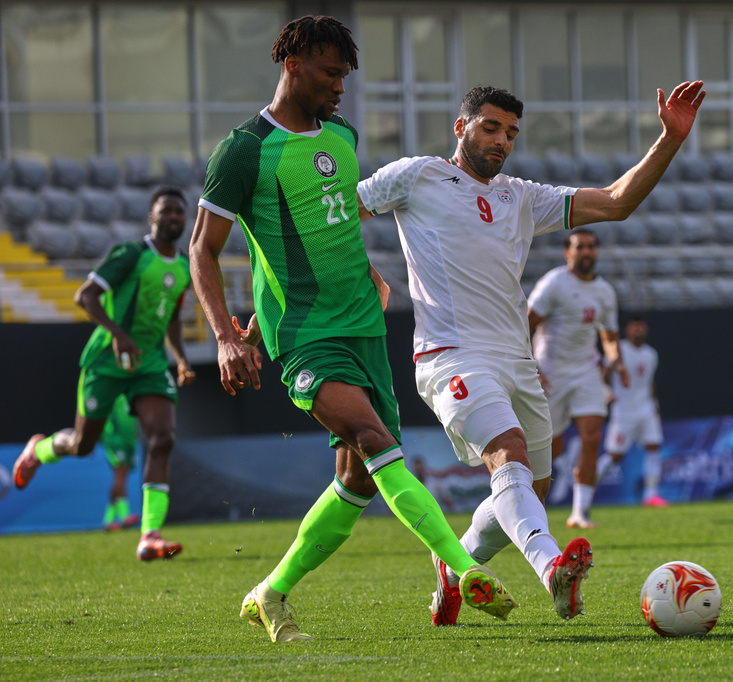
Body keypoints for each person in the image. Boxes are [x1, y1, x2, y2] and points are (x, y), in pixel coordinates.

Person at [188, 15, 515, 644]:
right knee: (369, 435)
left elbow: (323, 220)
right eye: (331, 73)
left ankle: (270, 592)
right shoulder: (244, 150)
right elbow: (203, 248)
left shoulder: (340, 132)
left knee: (358, 477)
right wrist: (228, 337)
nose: (342, 87)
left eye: (345, 75)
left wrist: (358, 262)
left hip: (364, 326)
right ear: (293, 64)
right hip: (307, 333)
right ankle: (463, 567)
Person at [356, 80, 705, 625]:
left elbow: (616, 204)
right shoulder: (417, 174)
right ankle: (552, 571)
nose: (501, 141)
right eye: (491, 127)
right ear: (461, 127)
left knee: (528, 491)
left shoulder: (519, 195)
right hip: (451, 356)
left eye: (511, 133)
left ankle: (455, 569)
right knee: (509, 455)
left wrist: (670, 139)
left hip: (518, 364)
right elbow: (335, 217)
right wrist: (346, 276)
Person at [13, 186, 195, 560]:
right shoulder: (131, 254)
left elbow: (173, 319)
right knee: (82, 445)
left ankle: (150, 534)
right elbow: (85, 296)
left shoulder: (183, 267)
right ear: (152, 217)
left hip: (149, 364)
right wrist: (118, 335)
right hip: (107, 361)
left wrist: (180, 358)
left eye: (179, 211)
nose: (173, 216)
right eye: (166, 211)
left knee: (163, 437)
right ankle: (40, 449)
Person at [527, 229, 627, 529]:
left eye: (591, 247)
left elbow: (608, 335)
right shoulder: (554, 283)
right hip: (551, 374)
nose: (587, 252)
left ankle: (580, 512)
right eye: (580, 247)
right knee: (550, 449)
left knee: (592, 437)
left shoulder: (604, 291)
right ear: (567, 253)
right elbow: (525, 325)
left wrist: (617, 361)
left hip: (586, 371)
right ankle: (525, 510)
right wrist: (530, 366)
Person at [596, 314, 668, 508]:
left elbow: (650, 382)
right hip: (623, 411)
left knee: (654, 447)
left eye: (641, 326)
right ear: (627, 329)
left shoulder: (651, 354)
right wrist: (607, 393)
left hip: (646, 410)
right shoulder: (618, 350)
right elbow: (603, 376)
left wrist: (656, 407)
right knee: (615, 456)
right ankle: (586, 484)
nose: (638, 330)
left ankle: (651, 495)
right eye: (634, 326)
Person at [100, 394, 142, 531]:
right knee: (120, 474)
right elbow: (101, 417)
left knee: (121, 476)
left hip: (128, 441)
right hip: (116, 440)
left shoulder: (129, 397)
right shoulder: (114, 394)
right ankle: (124, 516)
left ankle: (108, 520)